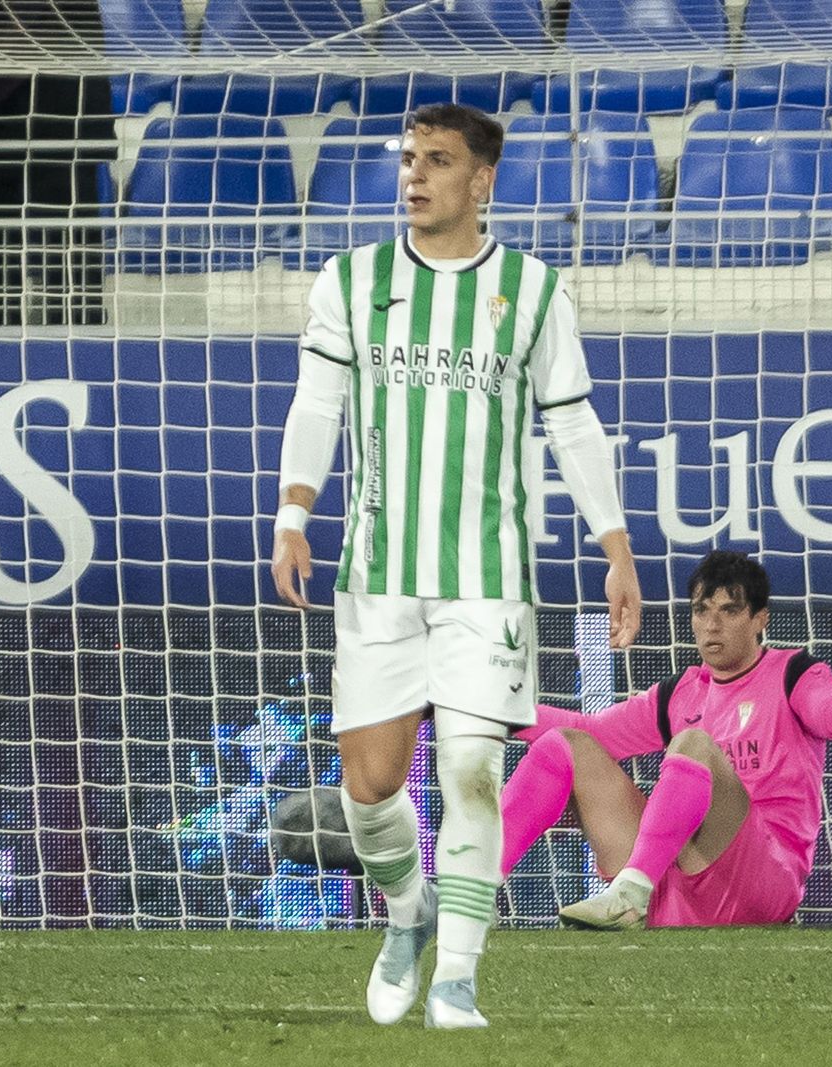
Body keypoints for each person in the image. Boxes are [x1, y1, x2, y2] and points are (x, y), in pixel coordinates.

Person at [272, 103, 641, 1028]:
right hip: (377, 574)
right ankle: (408, 914)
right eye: (409, 159)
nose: (415, 175)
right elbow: (317, 404)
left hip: (489, 578)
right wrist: (293, 510)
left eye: (437, 160)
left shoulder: (534, 289)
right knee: (369, 790)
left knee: (474, 766)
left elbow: (574, 423)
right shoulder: (350, 281)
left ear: (482, 180)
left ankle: (458, 980)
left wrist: (615, 545)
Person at [498, 550, 832, 929]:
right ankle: (473, 895)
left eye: (729, 611)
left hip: (762, 884)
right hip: (675, 886)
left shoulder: (793, 673)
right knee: (564, 744)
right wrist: (487, 707)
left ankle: (628, 895)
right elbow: (593, 732)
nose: (712, 624)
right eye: (701, 610)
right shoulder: (680, 692)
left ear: (760, 619)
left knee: (693, 744)